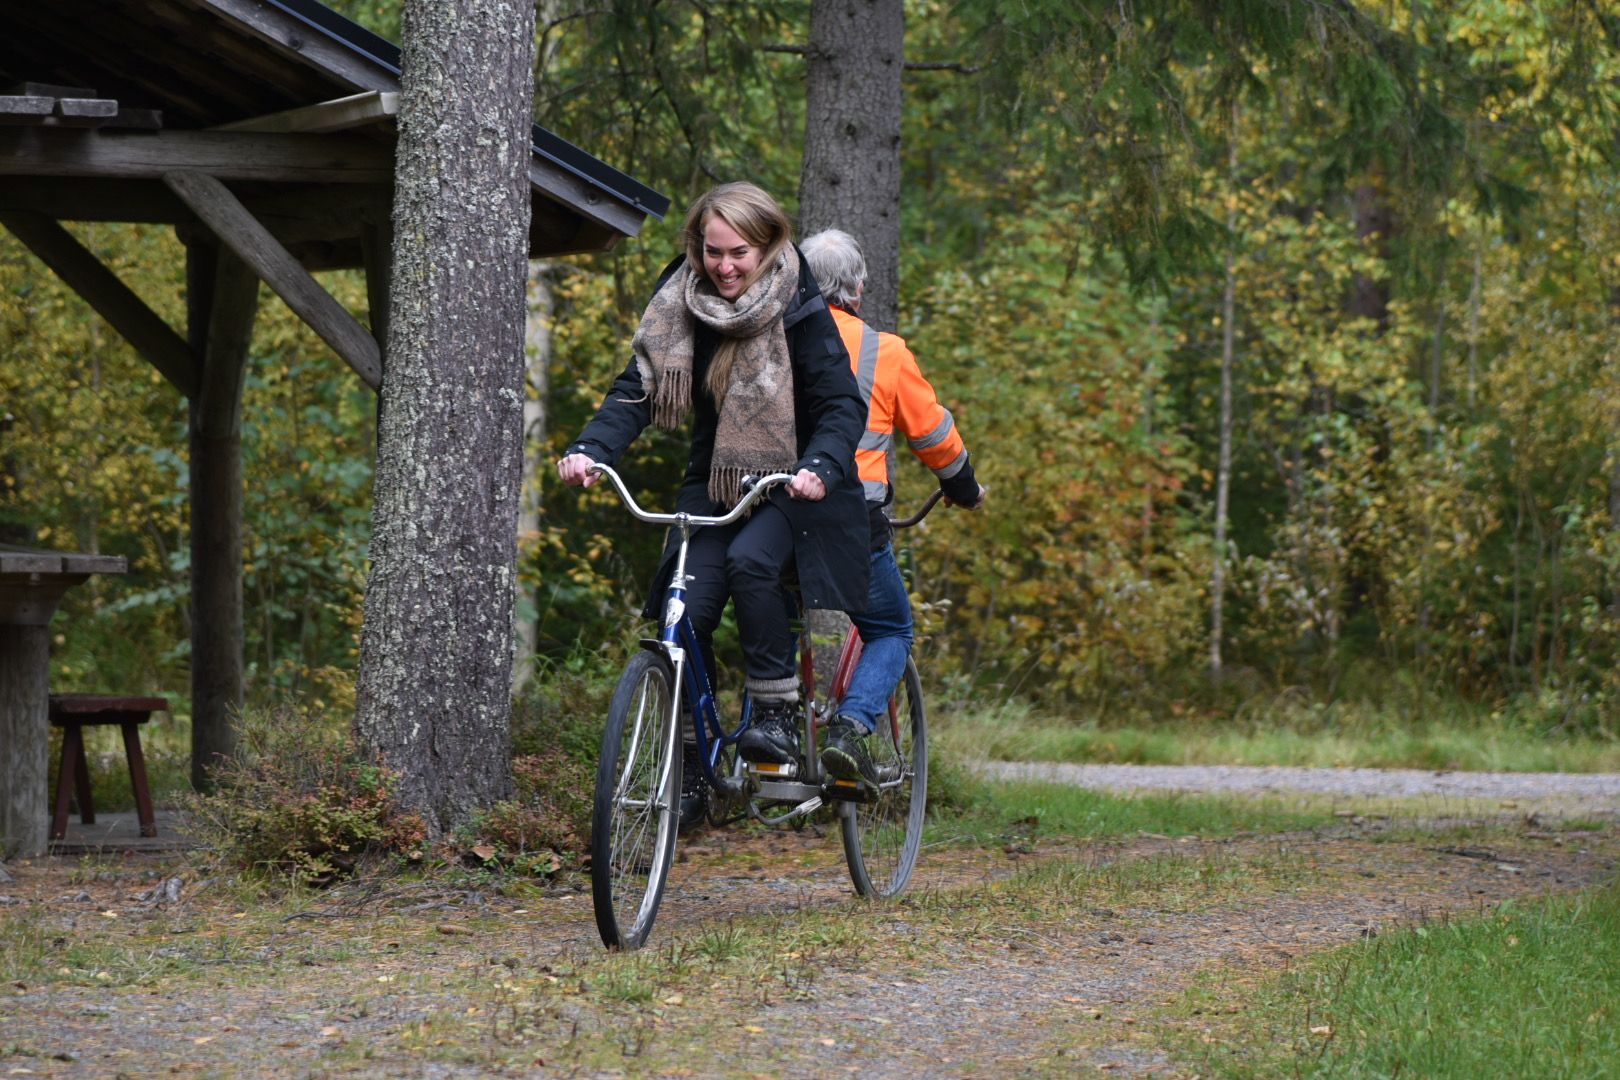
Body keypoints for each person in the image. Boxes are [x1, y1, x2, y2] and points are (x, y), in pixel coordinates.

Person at [557, 183, 869, 827]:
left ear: (771, 246)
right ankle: (692, 763)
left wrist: (821, 466)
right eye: (713, 252)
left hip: (796, 482)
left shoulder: (799, 303)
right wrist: (592, 451)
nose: (725, 268)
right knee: (684, 607)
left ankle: (777, 718)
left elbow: (841, 403)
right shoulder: (683, 301)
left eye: (740, 254)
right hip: (715, 481)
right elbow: (637, 390)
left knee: (754, 562)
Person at [799, 229, 985, 785]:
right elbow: (935, 437)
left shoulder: (776, 337)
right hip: (852, 523)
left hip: (774, 509)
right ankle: (852, 729)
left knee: (775, 614)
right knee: (891, 629)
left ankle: (769, 732)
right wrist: (964, 488)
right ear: (858, 287)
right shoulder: (885, 352)